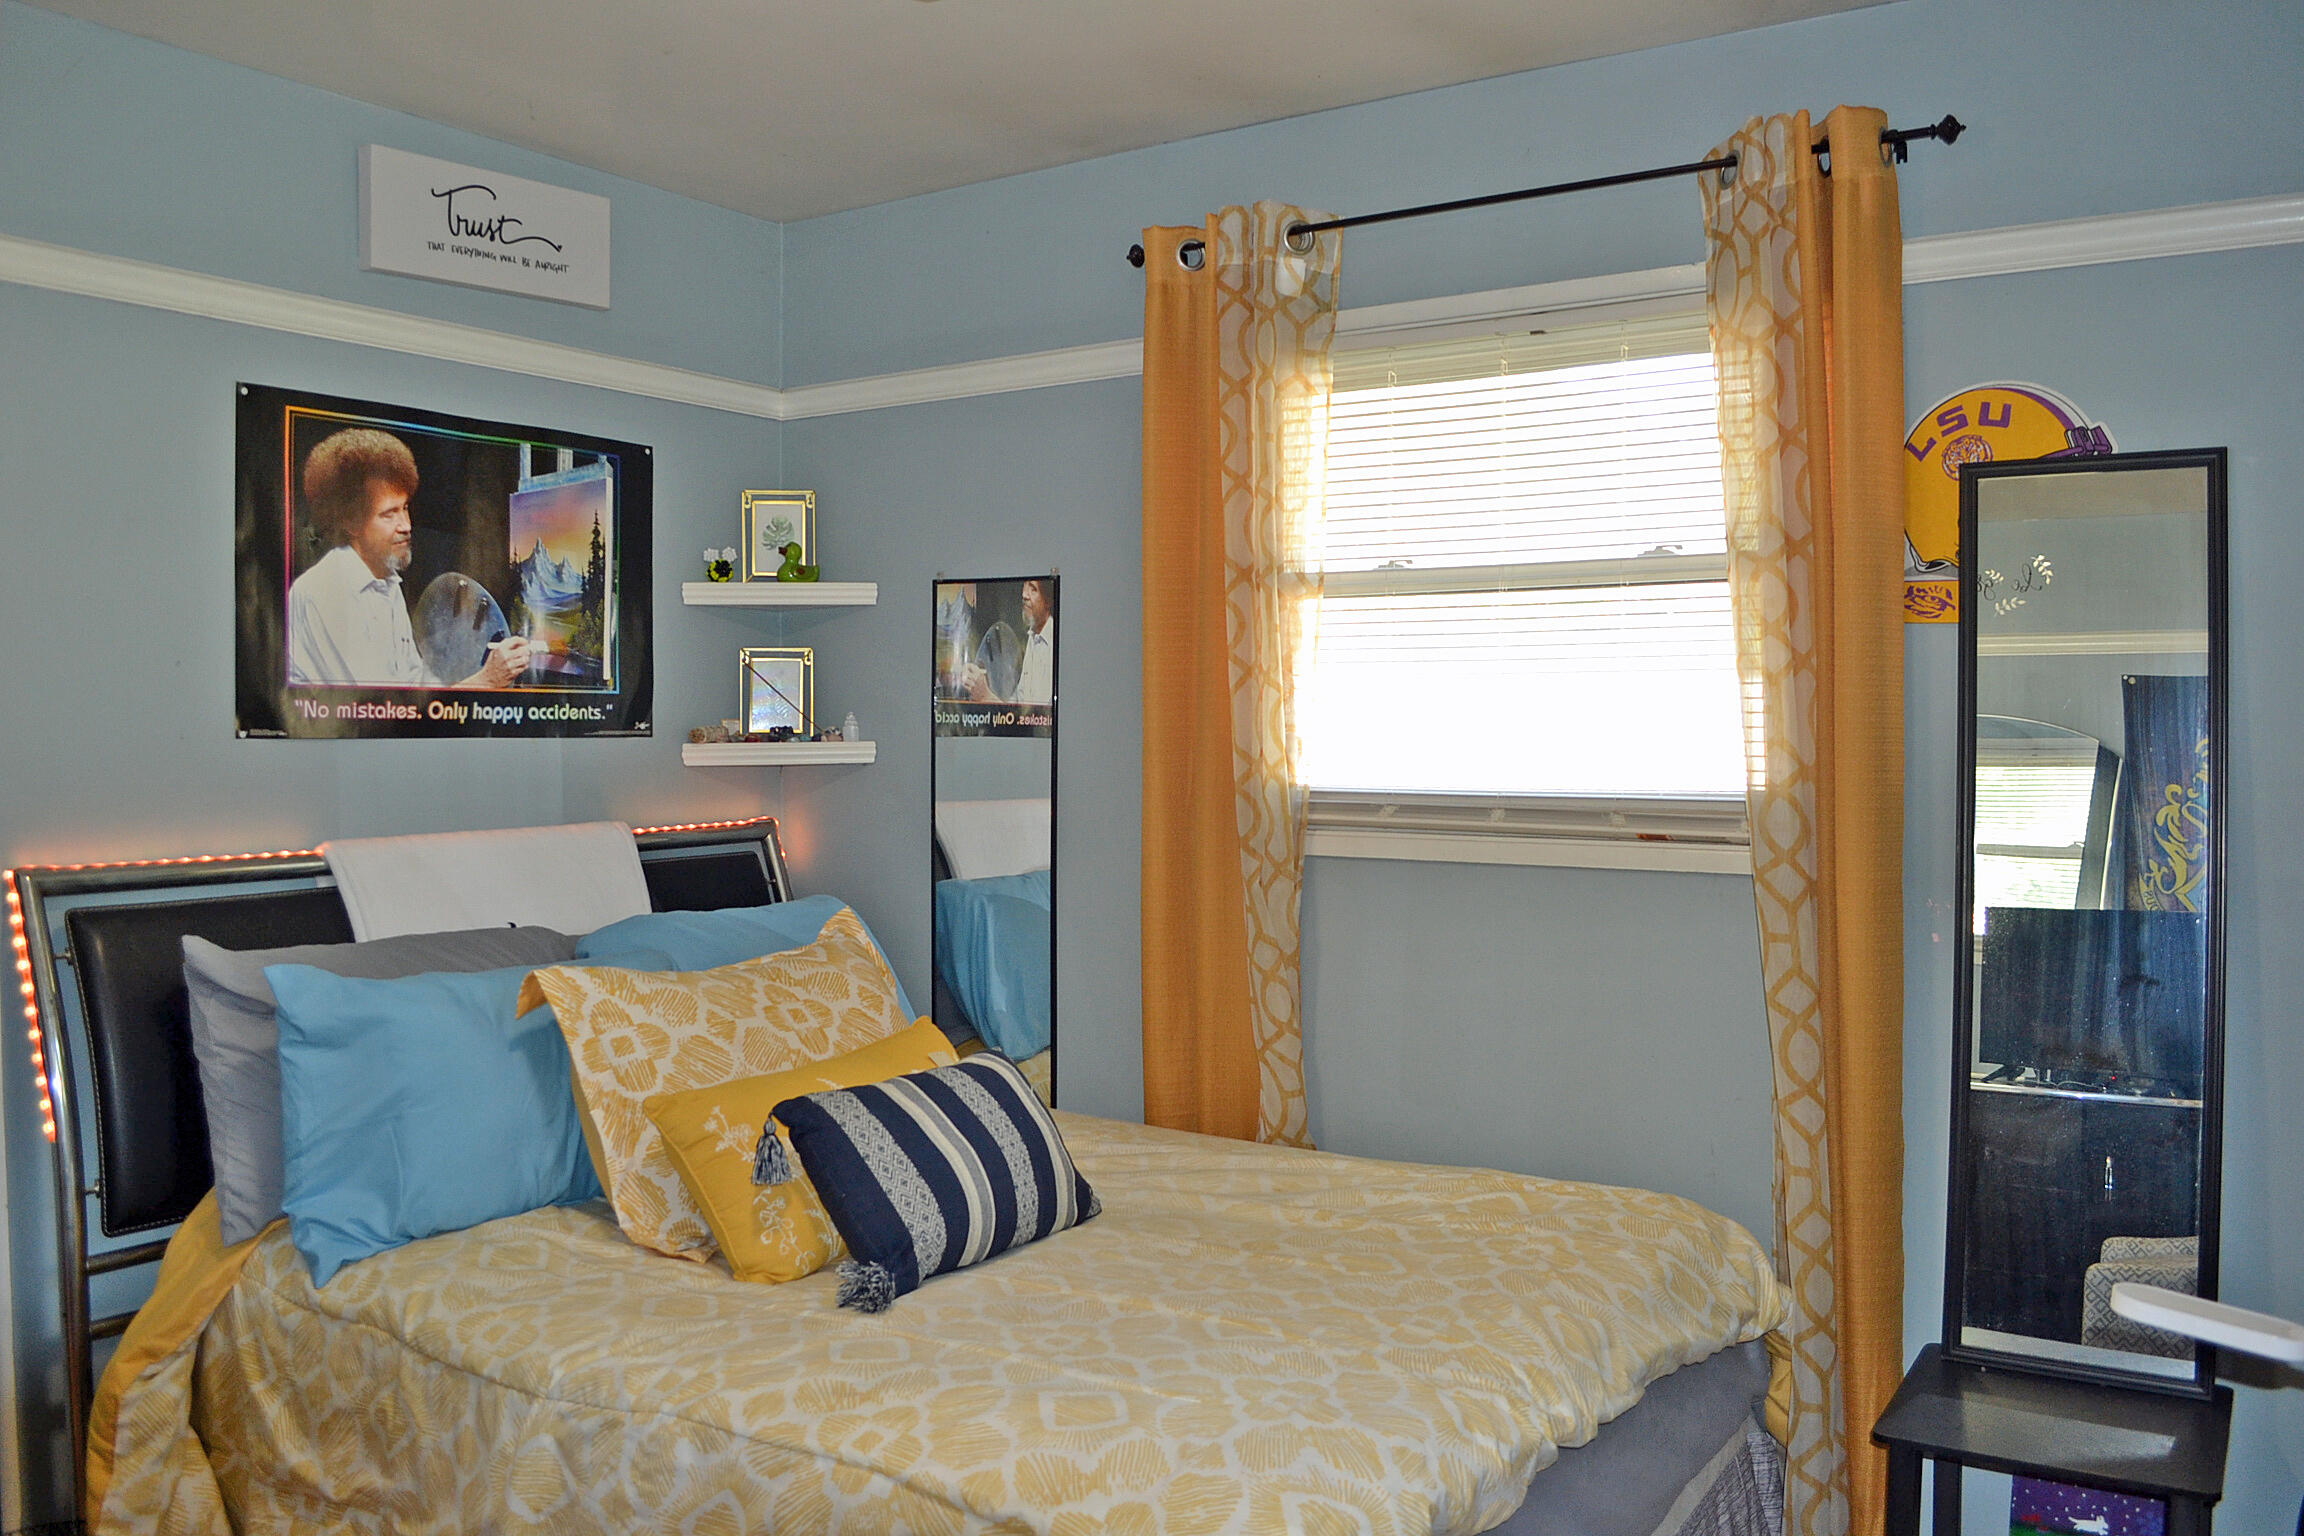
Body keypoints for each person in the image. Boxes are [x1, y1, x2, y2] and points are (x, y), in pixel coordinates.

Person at [285, 428, 528, 688]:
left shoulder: (387, 582)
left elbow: (414, 684)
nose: (406, 525)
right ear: (351, 522)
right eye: (389, 514)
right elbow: (376, 706)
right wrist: (486, 680)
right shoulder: (326, 590)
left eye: (405, 508)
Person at [965, 577, 1055, 706]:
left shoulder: (1053, 644)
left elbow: (1037, 715)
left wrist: (985, 696)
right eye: (1025, 586)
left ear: (1048, 600)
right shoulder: (1033, 637)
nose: (1024, 594)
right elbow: (1017, 705)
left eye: (1033, 589)